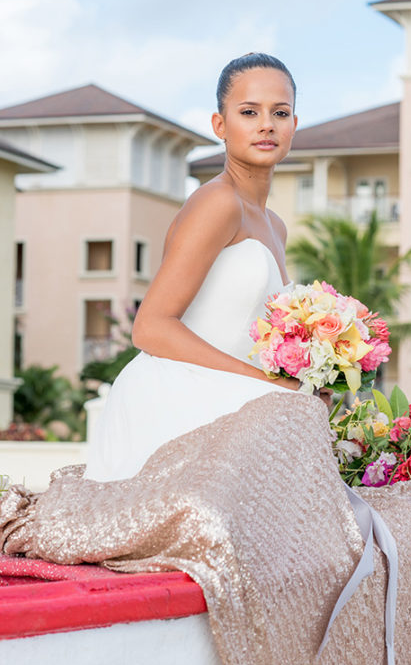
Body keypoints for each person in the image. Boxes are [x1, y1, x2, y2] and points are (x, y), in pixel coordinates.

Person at [85, 53, 304, 482]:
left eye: (280, 113)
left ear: (294, 124)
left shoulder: (275, 226)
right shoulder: (217, 203)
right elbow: (149, 327)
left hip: (232, 407)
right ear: (219, 126)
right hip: (175, 403)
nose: (267, 125)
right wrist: (266, 386)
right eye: (248, 112)